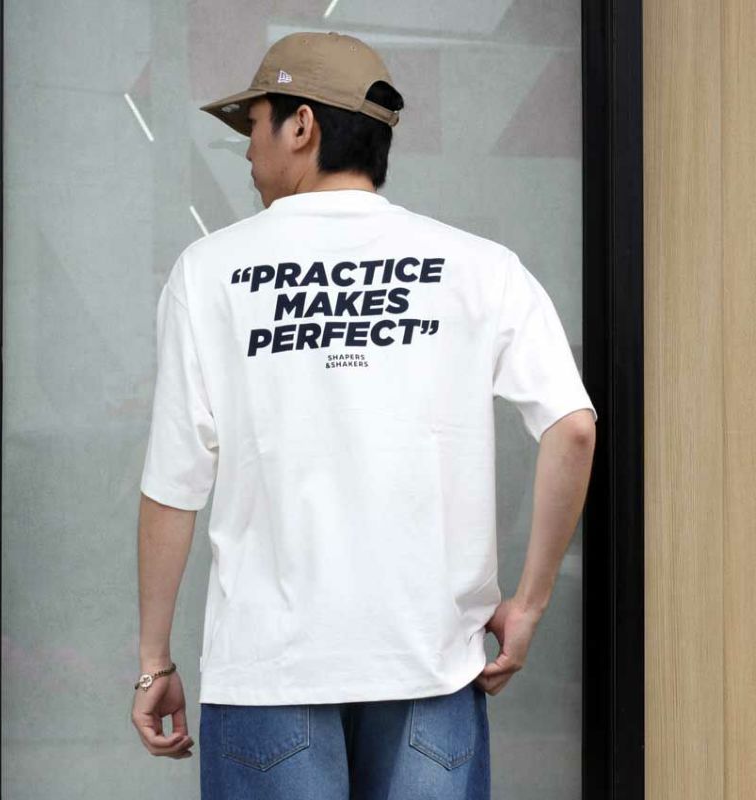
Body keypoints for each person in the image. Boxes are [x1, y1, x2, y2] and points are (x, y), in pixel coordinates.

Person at [130, 30, 597, 800]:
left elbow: (175, 486)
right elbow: (573, 428)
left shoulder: (210, 271)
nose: (248, 150)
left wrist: (155, 662)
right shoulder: (480, 268)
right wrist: (529, 604)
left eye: (255, 124)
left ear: (302, 126)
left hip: (270, 673)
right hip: (428, 667)